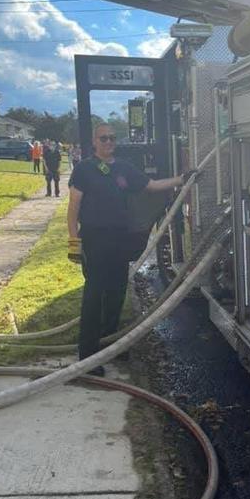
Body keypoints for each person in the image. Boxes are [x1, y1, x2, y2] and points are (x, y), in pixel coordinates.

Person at [67, 124, 194, 373]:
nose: (108, 142)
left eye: (112, 138)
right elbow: (73, 209)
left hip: (119, 239)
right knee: (94, 295)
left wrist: (181, 179)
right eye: (103, 138)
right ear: (94, 142)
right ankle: (88, 356)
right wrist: (74, 242)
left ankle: (110, 345)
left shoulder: (123, 168)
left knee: (116, 293)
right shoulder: (84, 170)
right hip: (94, 239)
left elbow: (151, 186)